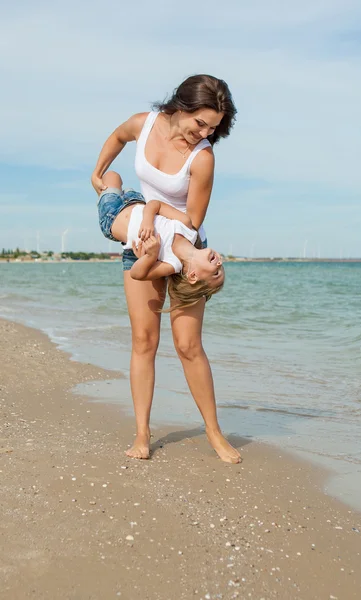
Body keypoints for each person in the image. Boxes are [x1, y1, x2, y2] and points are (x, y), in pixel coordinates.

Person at [92, 74, 241, 463]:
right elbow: (118, 136)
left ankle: (214, 433)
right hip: (143, 246)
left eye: (213, 127)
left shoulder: (203, 157)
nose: (205, 133)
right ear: (182, 107)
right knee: (144, 342)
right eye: (200, 123)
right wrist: (99, 170)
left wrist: (154, 211)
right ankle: (142, 436)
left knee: (188, 346)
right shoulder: (145, 123)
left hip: (186, 248)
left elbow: (192, 220)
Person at [97, 170, 225, 308]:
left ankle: (101, 191)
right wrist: (147, 221)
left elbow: (136, 274)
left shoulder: (172, 264)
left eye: (216, 273)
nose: (219, 264)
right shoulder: (187, 226)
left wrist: (151, 256)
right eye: (221, 266)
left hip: (112, 215)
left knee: (111, 176)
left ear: (193, 276)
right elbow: (155, 204)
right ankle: (104, 190)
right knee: (111, 179)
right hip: (136, 201)